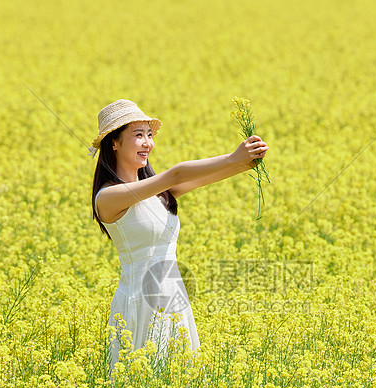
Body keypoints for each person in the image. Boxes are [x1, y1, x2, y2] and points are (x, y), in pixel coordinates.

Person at [90, 99, 268, 370]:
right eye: (138, 135)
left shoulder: (159, 193)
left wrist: (246, 162)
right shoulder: (109, 196)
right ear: (114, 143)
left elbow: (206, 177)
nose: (147, 142)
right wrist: (233, 157)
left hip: (173, 297)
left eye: (149, 135)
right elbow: (175, 174)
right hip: (139, 301)